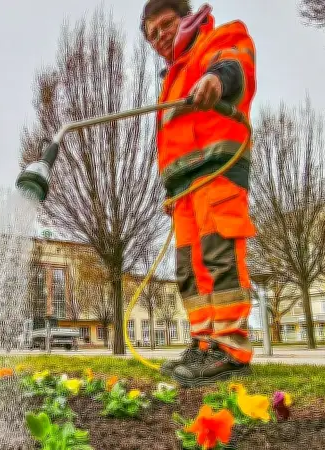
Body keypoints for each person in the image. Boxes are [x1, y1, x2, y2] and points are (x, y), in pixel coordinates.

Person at [141, 0, 257, 387]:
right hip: (183, 188)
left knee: (219, 254)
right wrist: (171, 189)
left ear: (187, 17)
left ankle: (230, 348)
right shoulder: (170, 80)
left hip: (218, 171)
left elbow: (236, 66)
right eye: (152, 35)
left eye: (165, 25)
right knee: (190, 269)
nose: (160, 37)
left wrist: (217, 80)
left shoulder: (221, 39)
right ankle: (203, 343)